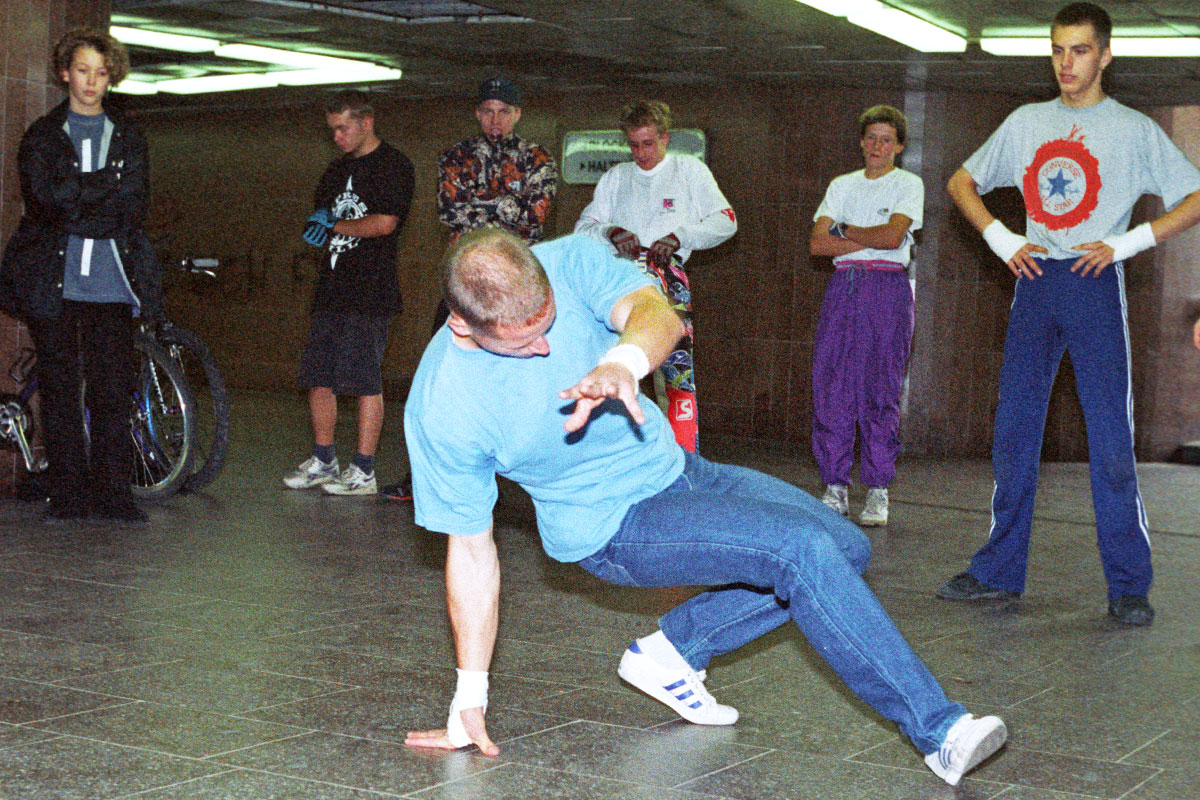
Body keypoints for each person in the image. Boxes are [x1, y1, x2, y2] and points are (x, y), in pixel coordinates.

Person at [401, 227, 1007, 788]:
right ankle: (941, 732)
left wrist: (623, 361)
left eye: (547, 327)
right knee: (798, 551)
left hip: (681, 471)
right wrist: (469, 696)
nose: (543, 350)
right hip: (611, 526)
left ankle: (673, 650)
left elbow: (656, 313)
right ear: (460, 325)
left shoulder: (573, 261)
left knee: (846, 547)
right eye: (521, 343)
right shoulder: (443, 406)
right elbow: (472, 551)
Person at [937, 2, 1200, 626]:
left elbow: (1195, 196)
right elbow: (959, 183)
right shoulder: (1027, 121)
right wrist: (1002, 239)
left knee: (1110, 436)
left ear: (1104, 55)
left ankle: (1129, 585)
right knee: (1014, 431)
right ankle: (998, 572)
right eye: (1057, 50)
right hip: (1035, 282)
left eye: (1079, 50)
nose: (1066, 63)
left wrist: (1129, 242)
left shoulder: (1134, 130)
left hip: (1092, 280)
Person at [0, 28, 161, 524]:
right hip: (57, 284)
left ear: (112, 78)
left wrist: (78, 197)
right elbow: (46, 204)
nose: (92, 82)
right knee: (61, 390)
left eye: (102, 73)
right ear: (66, 73)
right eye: (83, 71)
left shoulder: (129, 136)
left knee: (113, 392)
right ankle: (68, 492)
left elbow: (130, 206)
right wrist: (97, 193)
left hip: (112, 286)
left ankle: (114, 492)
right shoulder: (43, 136)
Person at [380, 76, 557, 501]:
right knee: (443, 377)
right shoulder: (456, 155)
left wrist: (480, 207)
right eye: (487, 111)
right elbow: (450, 212)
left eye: (503, 111)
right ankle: (423, 476)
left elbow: (534, 217)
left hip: (518, 288)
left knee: (531, 378)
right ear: (477, 114)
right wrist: (505, 206)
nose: (495, 120)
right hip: (466, 285)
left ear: (517, 114)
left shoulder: (537, 157)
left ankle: (536, 478)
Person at [575, 99, 736, 453]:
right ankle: (617, 457)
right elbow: (584, 226)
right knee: (614, 365)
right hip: (619, 281)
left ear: (665, 138)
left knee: (675, 376)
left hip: (668, 280)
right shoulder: (616, 177)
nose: (641, 152)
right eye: (633, 144)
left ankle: (684, 459)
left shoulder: (689, 171)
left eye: (648, 143)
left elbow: (726, 221)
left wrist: (680, 236)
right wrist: (611, 232)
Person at [283, 90, 414, 496]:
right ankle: (324, 459)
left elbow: (385, 223)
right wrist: (320, 218)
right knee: (318, 374)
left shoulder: (393, 165)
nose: (337, 136)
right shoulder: (335, 171)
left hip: (370, 290)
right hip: (332, 288)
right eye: (332, 130)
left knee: (363, 378)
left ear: (366, 122)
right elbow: (323, 212)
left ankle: (363, 470)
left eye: (344, 128)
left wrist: (335, 227)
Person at [809, 105, 922, 527]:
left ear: (899, 146)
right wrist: (866, 237)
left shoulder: (908, 184)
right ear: (860, 141)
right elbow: (817, 245)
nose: (877, 146)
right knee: (833, 383)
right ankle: (836, 485)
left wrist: (844, 230)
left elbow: (894, 237)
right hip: (844, 289)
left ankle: (878, 489)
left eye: (886, 139)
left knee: (881, 388)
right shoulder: (842, 185)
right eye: (871, 138)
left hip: (887, 290)